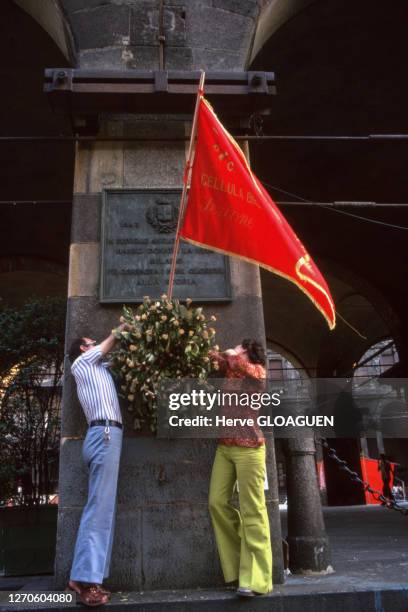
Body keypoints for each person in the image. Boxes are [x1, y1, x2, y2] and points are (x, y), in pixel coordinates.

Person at [66, 325, 126, 607]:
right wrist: (122, 328)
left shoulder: (100, 368)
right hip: (103, 434)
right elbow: (109, 343)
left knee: (102, 509)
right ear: (83, 347)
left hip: (106, 435)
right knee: (99, 509)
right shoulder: (82, 362)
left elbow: (118, 356)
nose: (97, 344)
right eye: (92, 342)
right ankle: (86, 581)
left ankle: (88, 576)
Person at [208, 338, 273, 598]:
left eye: (240, 346)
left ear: (247, 351)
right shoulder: (232, 369)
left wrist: (233, 354)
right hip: (226, 446)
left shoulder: (257, 372)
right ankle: (238, 565)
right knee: (216, 502)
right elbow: (213, 357)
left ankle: (257, 579)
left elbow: (234, 361)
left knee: (253, 510)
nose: (235, 348)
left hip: (250, 448)